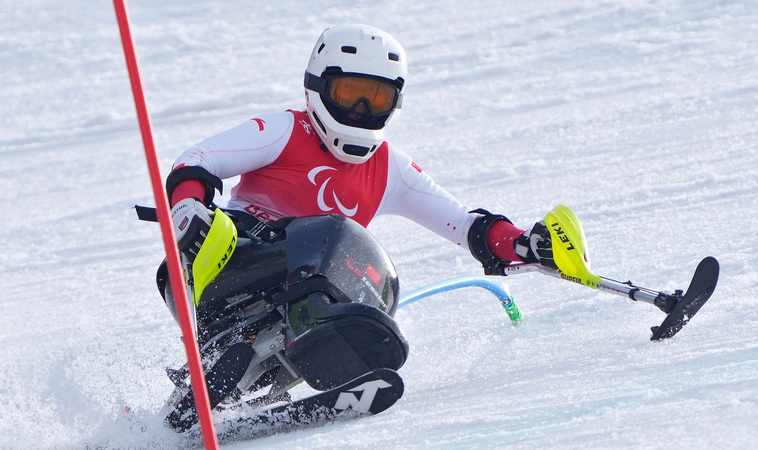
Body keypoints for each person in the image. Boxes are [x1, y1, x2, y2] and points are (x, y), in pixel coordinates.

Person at [167, 23, 555, 281]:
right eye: (350, 93)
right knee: (334, 233)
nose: (361, 111)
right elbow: (198, 159)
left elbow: (464, 224)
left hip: (303, 291)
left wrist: (522, 243)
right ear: (318, 88)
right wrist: (188, 208)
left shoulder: (390, 169)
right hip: (226, 264)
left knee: (370, 275)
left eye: (377, 99)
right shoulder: (285, 130)